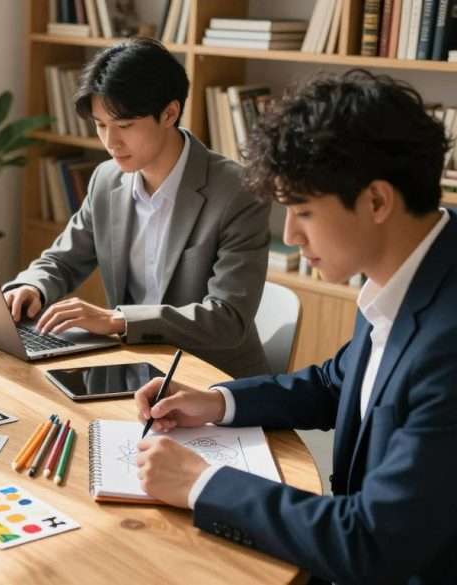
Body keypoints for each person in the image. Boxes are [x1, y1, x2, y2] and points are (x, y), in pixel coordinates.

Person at [133, 69, 457, 584]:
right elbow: (338, 381)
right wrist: (219, 402)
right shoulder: (409, 267)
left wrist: (202, 483)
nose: (289, 235)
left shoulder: (449, 344)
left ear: (376, 201)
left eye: (302, 211)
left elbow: (373, 542)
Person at [4, 38, 271, 378]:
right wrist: (32, 287)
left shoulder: (237, 192)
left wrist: (118, 320)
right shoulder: (106, 180)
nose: (111, 142)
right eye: (101, 125)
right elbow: (62, 260)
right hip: (133, 369)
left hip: (212, 381)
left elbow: (227, 318)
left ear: (169, 113)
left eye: (125, 126)